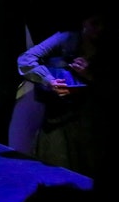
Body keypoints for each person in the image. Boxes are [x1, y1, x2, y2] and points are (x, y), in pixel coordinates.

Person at [9, 12, 108, 176]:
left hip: (92, 116)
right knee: (58, 163)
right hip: (60, 116)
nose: (100, 29)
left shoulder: (110, 47)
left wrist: (89, 75)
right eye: (95, 23)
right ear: (84, 23)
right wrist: (49, 79)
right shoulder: (67, 38)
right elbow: (26, 59)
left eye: (104, 24)